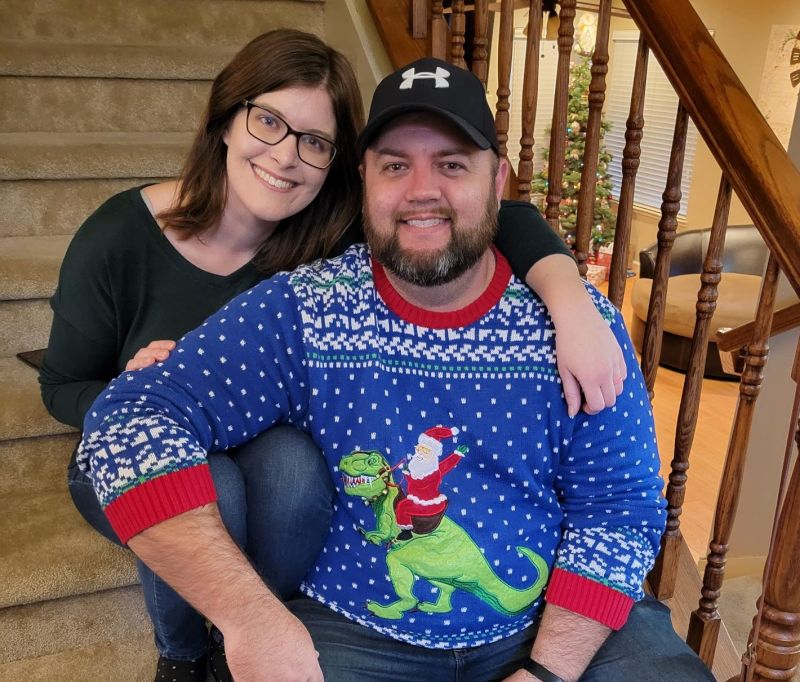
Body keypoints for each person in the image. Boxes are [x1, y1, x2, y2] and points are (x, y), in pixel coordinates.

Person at [76, 57, 714, 681]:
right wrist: (250, 618)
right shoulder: (310, 307)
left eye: (453, 164)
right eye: (395, 166)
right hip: (357, 625)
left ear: (498, 183)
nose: (422, 191)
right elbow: (131, 417)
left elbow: (620, 508)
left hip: (554, 620)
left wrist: (548, 672)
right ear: (365, 183)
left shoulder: (577, 326)